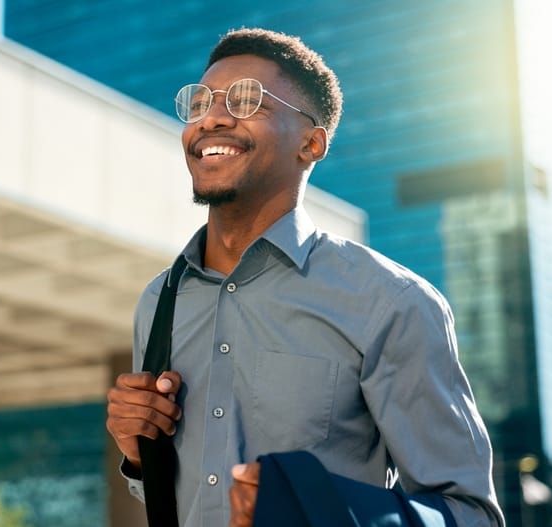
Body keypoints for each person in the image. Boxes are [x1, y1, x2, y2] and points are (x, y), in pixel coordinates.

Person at [106, 27, 504, 527]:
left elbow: (468, 514)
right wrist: (140, 455)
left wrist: (316, 509)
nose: (212, 118)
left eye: (246, 100)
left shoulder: (391, 301)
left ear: (311, 144)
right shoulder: (159, 300)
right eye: (201, 102)